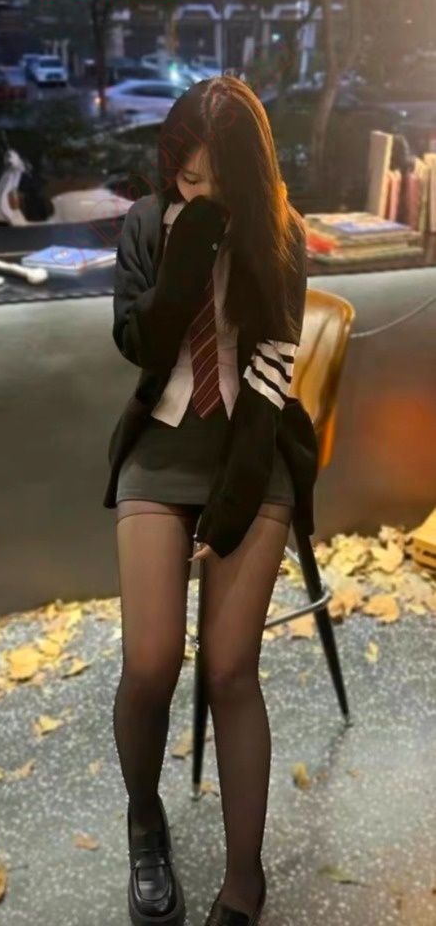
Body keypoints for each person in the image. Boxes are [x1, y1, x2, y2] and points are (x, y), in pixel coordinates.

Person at [103, 75, 319, 926]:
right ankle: (144, 822)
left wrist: (233, 506)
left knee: (230, 668)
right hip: (160, 450)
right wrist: (185, 254)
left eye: (220, 183)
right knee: (151, 663)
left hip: (248, 452)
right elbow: (137, 342)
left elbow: (270, 374)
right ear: (171, 166)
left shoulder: (280, 232)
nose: (202, 195)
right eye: (188, 178)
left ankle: (243, 881)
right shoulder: (143, 224)